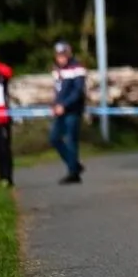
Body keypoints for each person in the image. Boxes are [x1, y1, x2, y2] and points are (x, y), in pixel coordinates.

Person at [50, 41, 86, 185]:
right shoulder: (56, 70)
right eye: (58, 55)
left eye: (63, 55)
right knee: (54, 138)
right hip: (60, 110)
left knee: (71, 140)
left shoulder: (77, 68)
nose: (61, 58)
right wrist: (55, 105)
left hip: (73, 110)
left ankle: (72, 173)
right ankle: (74, 165)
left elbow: (78, 91)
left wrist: (64, 105)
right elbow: (58, 90)